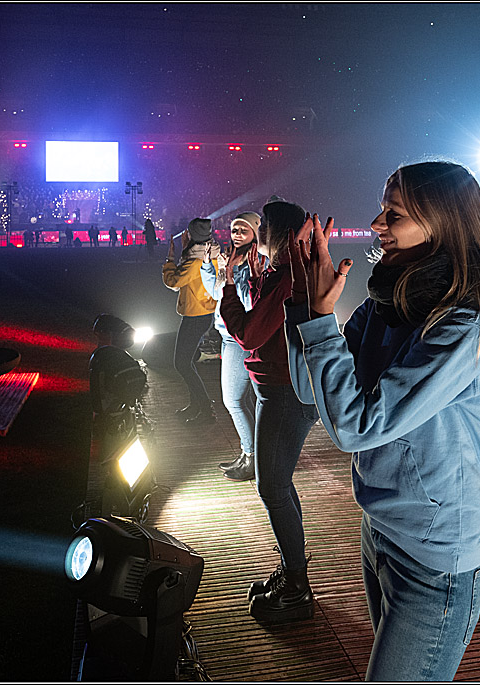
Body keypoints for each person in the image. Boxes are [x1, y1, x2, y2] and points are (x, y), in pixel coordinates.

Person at [284, 162, 480, 680]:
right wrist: (300, 303)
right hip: (382, 527)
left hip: (436, 556)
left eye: (395, 214)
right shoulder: (389, 300)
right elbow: (309, 390)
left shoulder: (462, 323)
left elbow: (355, 427)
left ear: (442, 225)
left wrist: (322, 319)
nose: (375, 223)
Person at [219, 198, 320, 623]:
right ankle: (292, 570)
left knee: (271, 487)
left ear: (276, 234)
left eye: (263, 230)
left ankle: (297, 586)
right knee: (277, 483)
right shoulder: (281, 272)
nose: (255, 236)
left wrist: (228, 288)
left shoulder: (288, 275)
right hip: (277, 391)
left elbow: (249, 334)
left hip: (284, 393)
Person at [201, 211, 262, 482]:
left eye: (243, 230)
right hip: (227, 336)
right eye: (234, 229)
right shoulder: (231, 257)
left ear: (255, 233)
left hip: (240, 336)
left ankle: (251, 458)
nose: (237, 234)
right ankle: (249, 455)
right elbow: (216, 293)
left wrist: (231, 274)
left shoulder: (255, 261)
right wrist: (209, 266)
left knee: (233, 400)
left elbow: (248, 301)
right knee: (242, 400)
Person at [162, 218, 218, 425]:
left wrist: (169, 258)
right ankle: (198, 405)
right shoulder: (208, 254)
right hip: (203, 314)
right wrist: (187, 248)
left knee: (181, 363)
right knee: (187, 362)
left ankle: (205, 408)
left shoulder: (195, 261)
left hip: (195, 315)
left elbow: (173, 281)